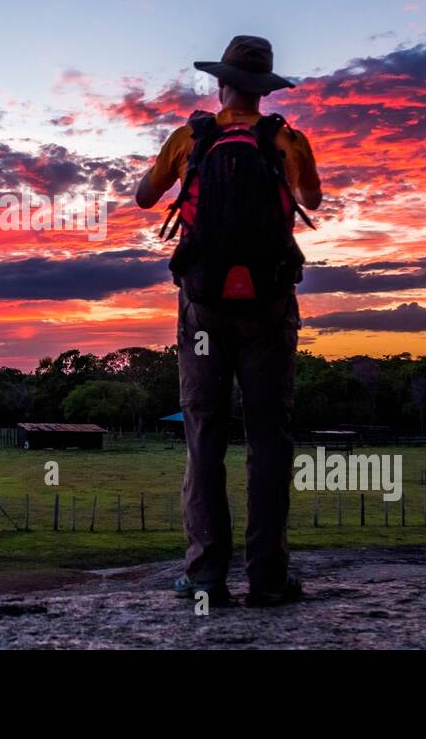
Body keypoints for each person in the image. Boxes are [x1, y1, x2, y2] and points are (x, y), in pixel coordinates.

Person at [136, 35, 321, 607]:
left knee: (204, 436)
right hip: (268, 305)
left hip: (202, 305)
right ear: (265, 90)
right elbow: (310, 200)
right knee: (269, 439)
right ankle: (267, 579)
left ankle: (204, 578)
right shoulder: (287, 139)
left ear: (221, 85)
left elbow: (146, 198)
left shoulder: (191, 137)